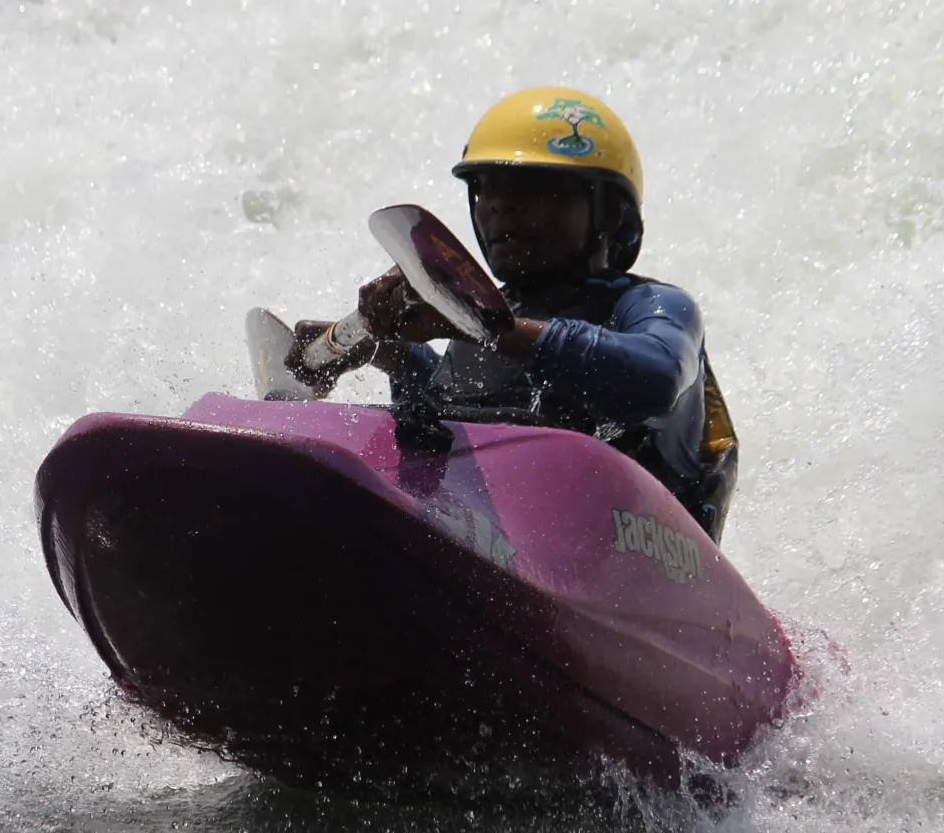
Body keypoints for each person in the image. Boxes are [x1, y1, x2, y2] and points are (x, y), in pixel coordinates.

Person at [292, 87, 739, 543]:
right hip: (509, 535)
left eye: (531, 188)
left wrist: (481, 325)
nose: (498, 205)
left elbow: (657, 378)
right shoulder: (496, 316)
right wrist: (391, 353)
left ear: (609, 213)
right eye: (485, 189)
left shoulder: (652, 305)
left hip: (641, 548)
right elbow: (458, 410)